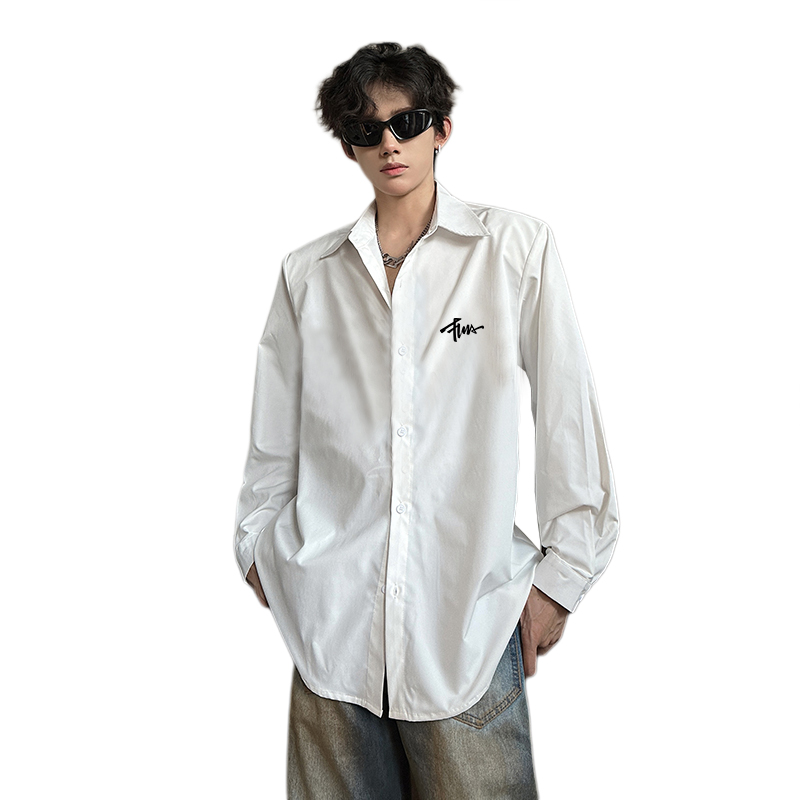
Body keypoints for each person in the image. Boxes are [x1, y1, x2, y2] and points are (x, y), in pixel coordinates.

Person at [233, 42, 619, 799]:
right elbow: (272, 441)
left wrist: (562, 580)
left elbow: (567, 416)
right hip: (332, 638)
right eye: (366, 129)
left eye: (405, 122)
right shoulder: (308, 275)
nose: (389, 143)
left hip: (467, 629)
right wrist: (259, 547)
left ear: (441, 127)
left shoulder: (513, 250)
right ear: (347, 145)